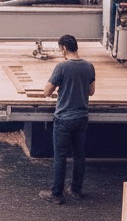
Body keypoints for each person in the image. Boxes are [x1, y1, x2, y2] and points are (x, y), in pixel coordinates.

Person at [40, 34, 96, 205]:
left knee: (60, 157)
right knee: (79, 156)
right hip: (81, 117)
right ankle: (76, 190)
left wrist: (60, 90)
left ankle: (56, 194)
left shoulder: (62, 67)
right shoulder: (89, 66)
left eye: (60, 49)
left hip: (64, 118)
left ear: (64, 48)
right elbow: (91, 92)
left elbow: (47, 91)